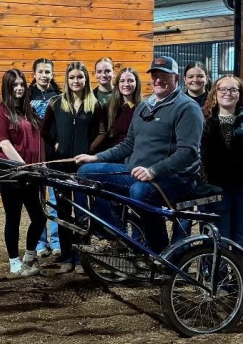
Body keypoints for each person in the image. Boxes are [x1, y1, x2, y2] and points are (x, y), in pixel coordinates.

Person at [74, 55, 203, 252]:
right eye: (155, 75)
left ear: (176, 79)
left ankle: (159, 252)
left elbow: (188, 153)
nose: (158, 80)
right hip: (135, 170)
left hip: (176, 177)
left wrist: (153, 171)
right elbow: (128, 144)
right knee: (86, 172)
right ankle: (118, 237)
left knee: (140, 191)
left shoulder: (187, 108)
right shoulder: (144, 106)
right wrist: (96, 157)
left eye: (164, 75)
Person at [42, 61, 101, 273]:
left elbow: (102, 132)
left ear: (86, 79)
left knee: (83, 212)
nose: (76, 81)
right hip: (61, 167)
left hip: (83, 167)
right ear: (67, 80)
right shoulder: (56, 103)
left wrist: (89, 151)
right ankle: (67, 257)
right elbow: (44, 131)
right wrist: (56, 145)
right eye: (72, 77)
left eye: (80, 77)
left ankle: (82, 257)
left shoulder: (94, 105)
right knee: (64, 211)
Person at [0, 69, 48, 278]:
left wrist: (40, 165)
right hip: (11, 175)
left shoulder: (28, 111)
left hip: (32, 174)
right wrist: (25, 166)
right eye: (14, 85)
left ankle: (29, 258)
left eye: (22, 84)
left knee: (39, 217)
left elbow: (40, 139)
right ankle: (14, 263)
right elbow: (4, 143)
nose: (19, 88)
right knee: (13, 217)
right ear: (7, 87)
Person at [201, 75, 243, 278]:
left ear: (240, 93)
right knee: (219, 235)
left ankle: (240, 281)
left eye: (233, 90)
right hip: (217, 188)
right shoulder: (206, 119)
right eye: (223, 89)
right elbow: (200, 155)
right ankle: (218, 279)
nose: (228, 93)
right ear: (215, 94)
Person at [27, 57, 61, 258]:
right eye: (41, 72)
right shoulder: (27, 95)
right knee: (37, 201)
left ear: (52, 74)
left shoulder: (58, 95)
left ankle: (57, 241)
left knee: (56, 199)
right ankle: (40, 243)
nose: (44, 75)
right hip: (34, 156)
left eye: (48, 72)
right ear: (34, 74)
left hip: (54, 155)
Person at [91, 66, 140, 153]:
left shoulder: (142, 108)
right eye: (122, 81)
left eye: (131, 80)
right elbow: (104, 136)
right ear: (117, 84)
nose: (126, 84)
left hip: (131, 155)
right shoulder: (108, 107)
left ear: (137, 83)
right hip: (110, 154)